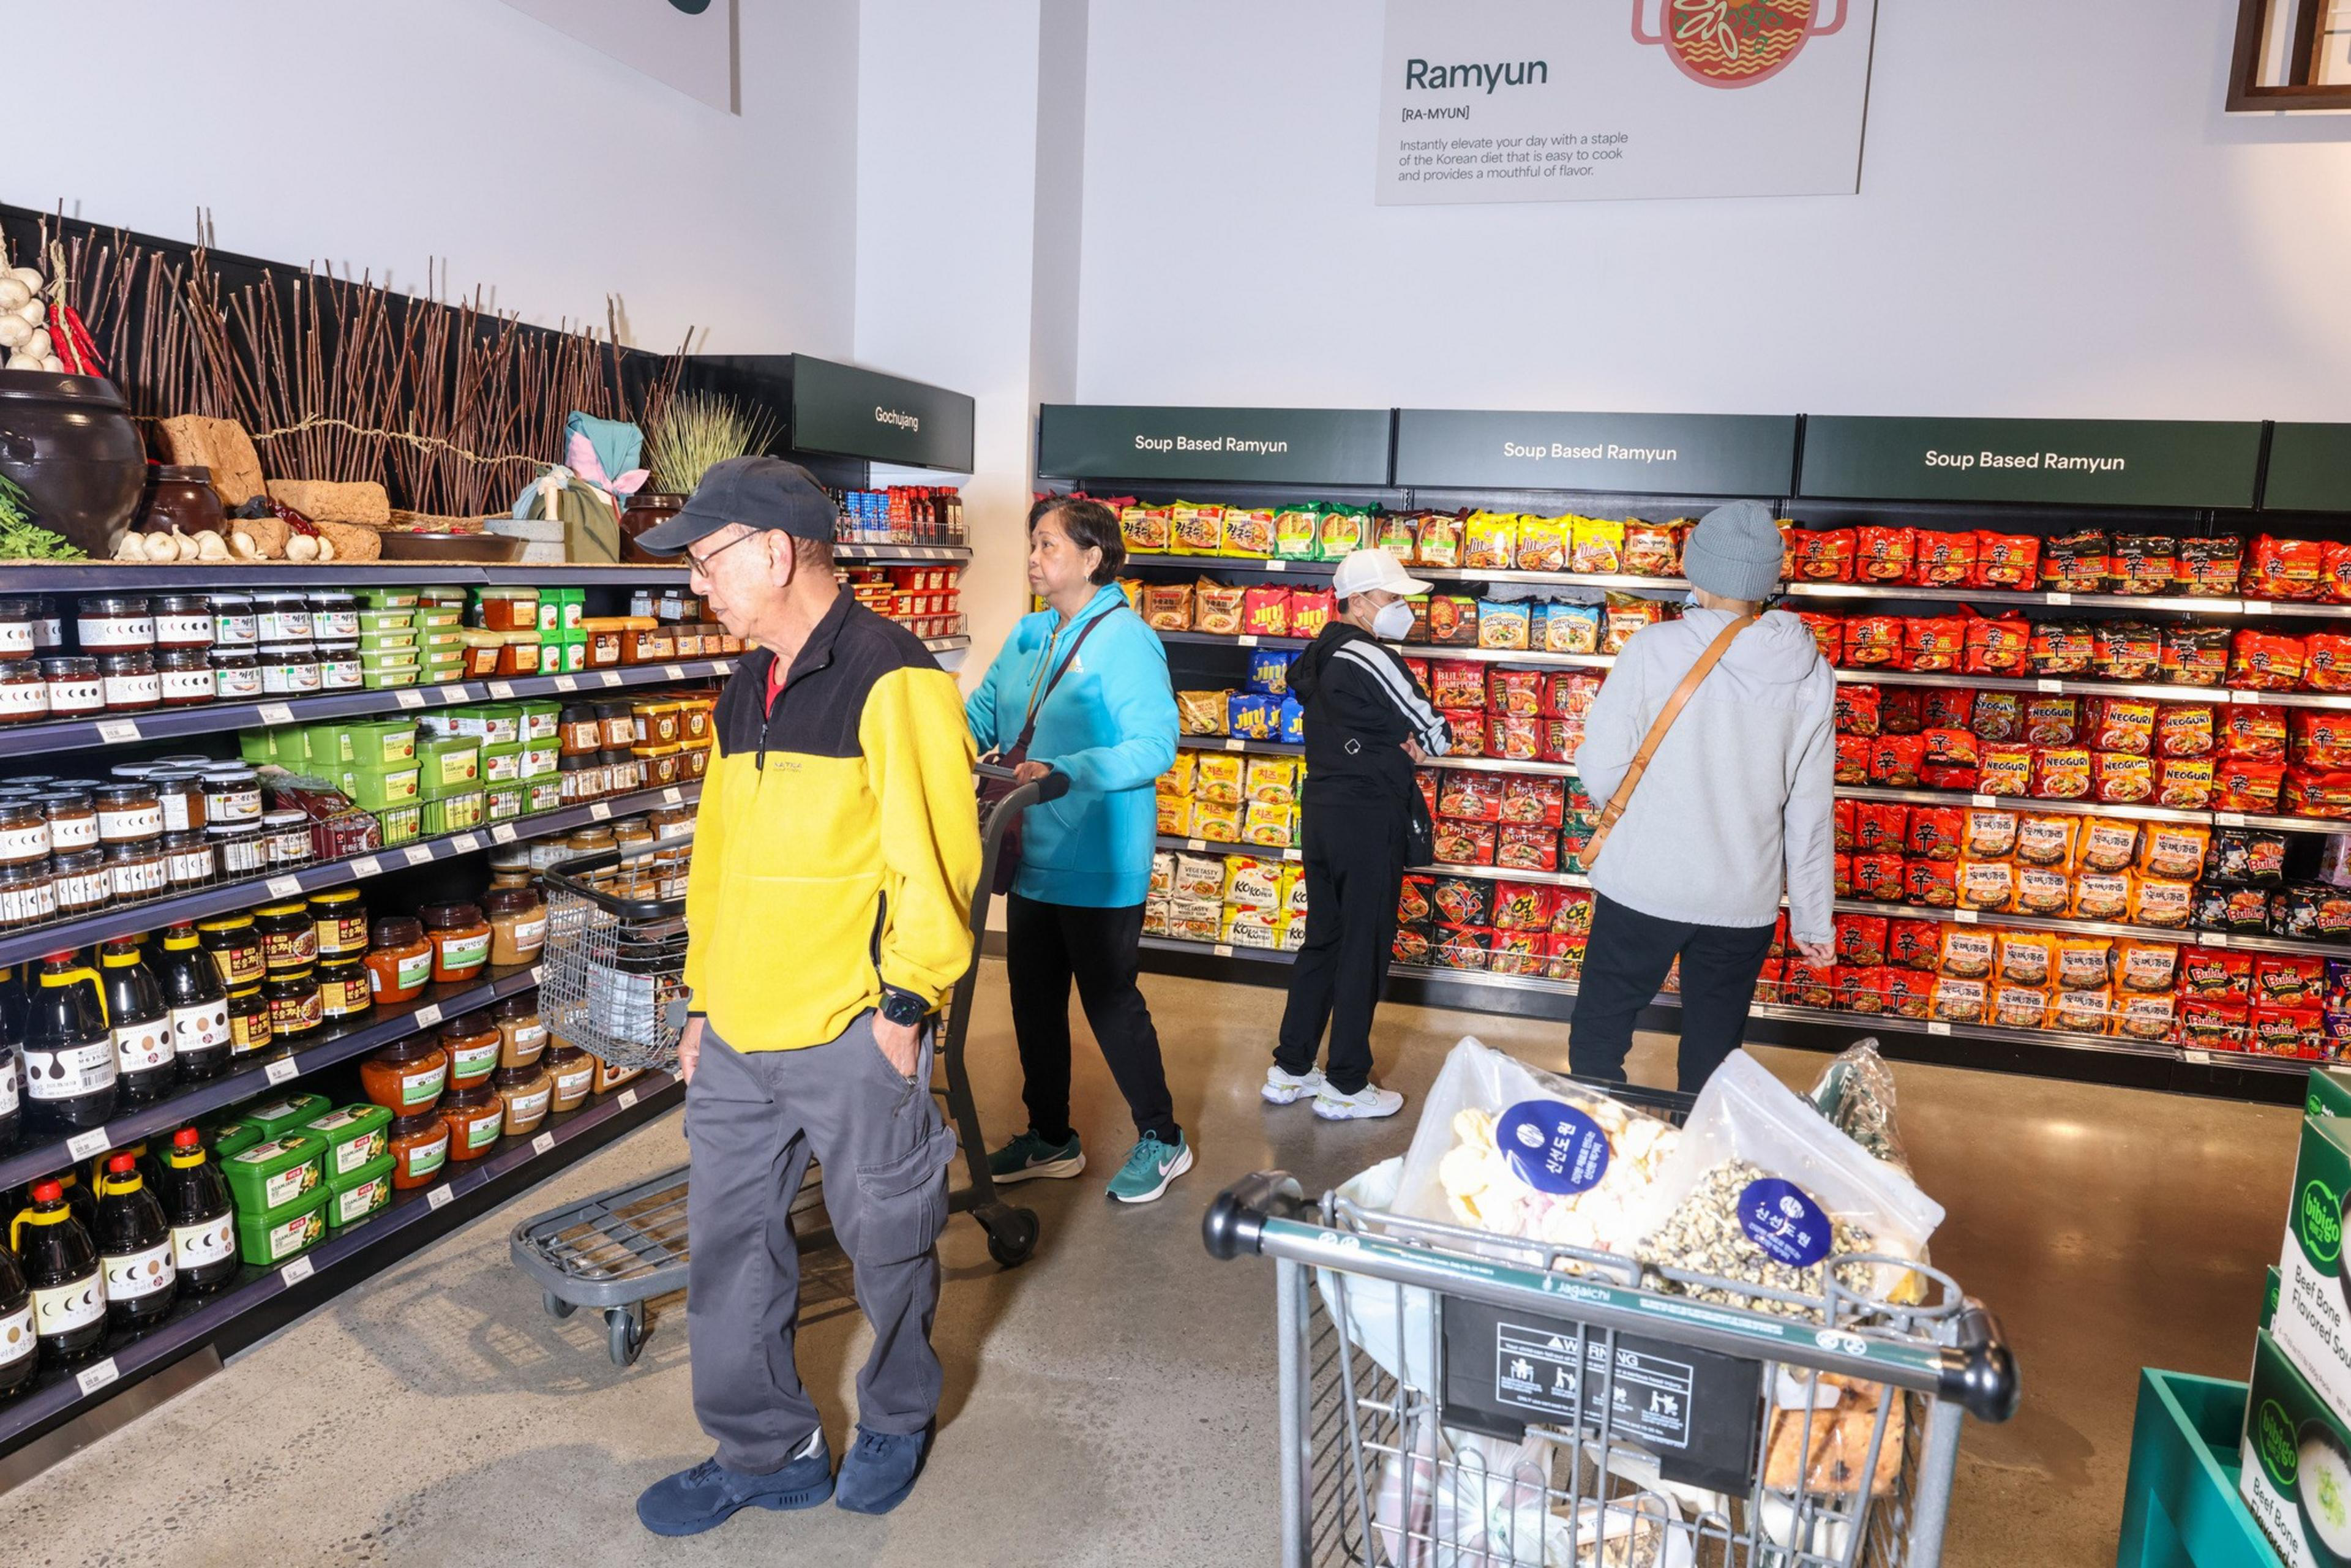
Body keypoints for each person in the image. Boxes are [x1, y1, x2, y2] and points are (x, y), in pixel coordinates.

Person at [631, 457, 981, 1534]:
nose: (696, 583)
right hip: (738, 1032)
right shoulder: (749, 683)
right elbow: (720, 862)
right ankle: (763, 1449)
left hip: (850, 1031)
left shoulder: (895, 676)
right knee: (729, 1247)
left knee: (887, 1239)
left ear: (777, 553)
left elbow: (937, 859)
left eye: (706, 560)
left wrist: (903, 1011)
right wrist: (701, 1007)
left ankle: (895, 1415)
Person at [1567, 498, 1835, 1093]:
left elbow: (1604, 767)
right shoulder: (1812, 670)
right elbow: (1811, 809)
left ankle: (1601, 1146)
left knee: (1601, 1028)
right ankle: (1697, 1157)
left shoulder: (1654, 648)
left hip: (1647, 879)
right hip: (1744, 896)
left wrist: (1655, 805)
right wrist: (1815, 917)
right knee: (1714, 1051)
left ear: (1696, 570)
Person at [970, 498, 1188, 1204]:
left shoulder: (1126, 639)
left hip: (1097, 854)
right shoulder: (1030, 634)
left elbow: (1155, 744)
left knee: (1108, 1001)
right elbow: (978, 714)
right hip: (1031, 847)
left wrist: (1070, 771)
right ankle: (1052, 1135)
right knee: (1032, 1000)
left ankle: (1163, 1137)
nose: (1034, 558)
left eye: (1048, 545)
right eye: (1032, 544)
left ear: (1092, 558)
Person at [1265, 546, 1452, 1120]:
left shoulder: (1318, 652)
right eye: (1393, 598)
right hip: (1368, 815)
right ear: (1361, 602)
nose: (1402, 609)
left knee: (1323, 938)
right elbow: (1437, 733)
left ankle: (1291, 1068)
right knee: (1363, 946)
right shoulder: (1370, 655)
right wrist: (1415, 739)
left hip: (1321, 808)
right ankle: (1346, 1082)